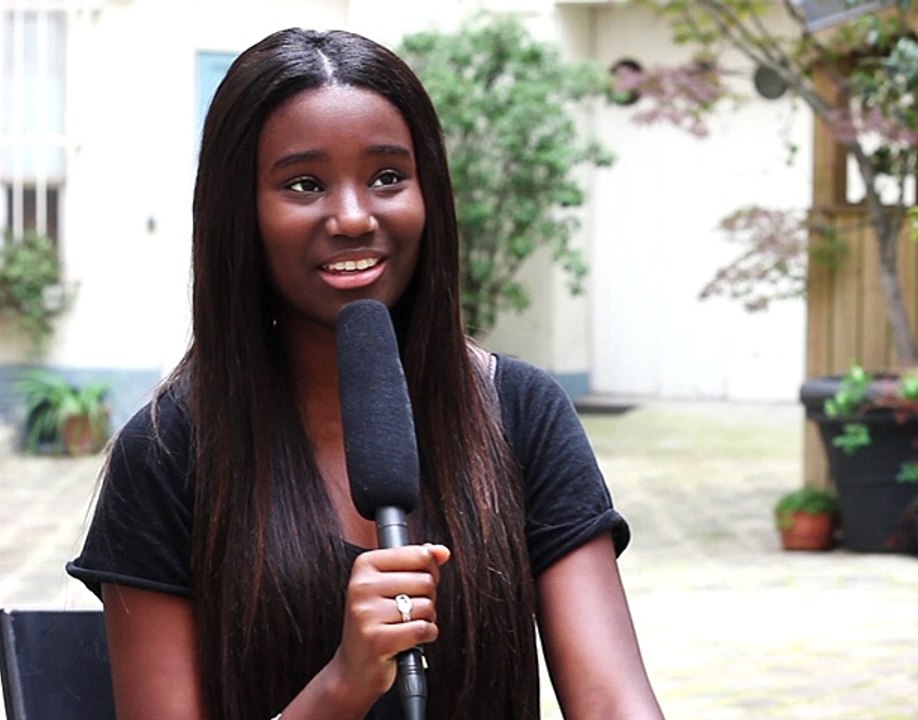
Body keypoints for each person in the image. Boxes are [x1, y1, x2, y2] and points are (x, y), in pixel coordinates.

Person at [67, 27, 665, 720]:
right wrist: (344, 684)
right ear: (240, 213)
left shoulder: (519, 411)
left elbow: (613, 700)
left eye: (387, 177)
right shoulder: (170, 451)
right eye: (304, 184)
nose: (353, 217)